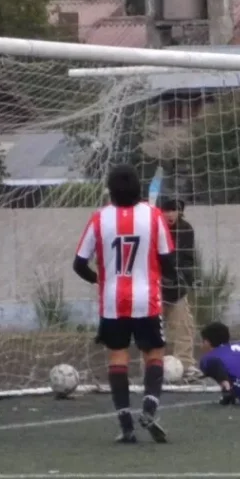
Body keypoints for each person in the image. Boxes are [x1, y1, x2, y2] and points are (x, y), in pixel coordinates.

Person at [73, 164, 178, 444]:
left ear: (110, 190)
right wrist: (169, 278)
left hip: (112, 301)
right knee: (154, 353)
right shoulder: (154, 216)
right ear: (138, 188)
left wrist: (100, 280)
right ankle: (149, 408)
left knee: (117, 357)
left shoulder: (99, 219)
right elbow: (168, 260)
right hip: (146, 299)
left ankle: (126, 426)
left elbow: (78, 264)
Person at [156, 196, 203, 381]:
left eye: (174, 210)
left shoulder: (185, 229)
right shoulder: (152, 228)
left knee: (184, 326)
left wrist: (188, 280)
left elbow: (187, 260)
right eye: (166, 210)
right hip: (155, 288)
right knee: (152, 330)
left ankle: (185, 365)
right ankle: (151, 367)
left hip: (177, 287)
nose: (170, 214)